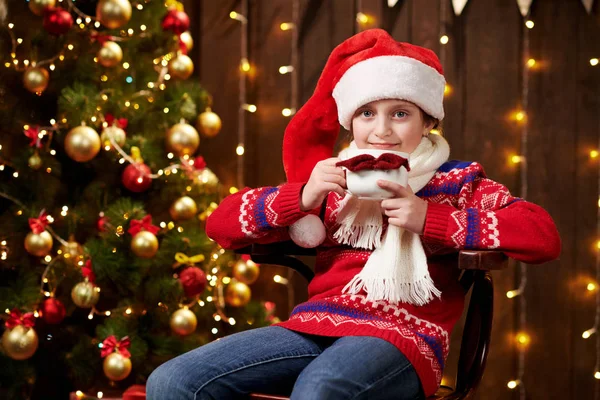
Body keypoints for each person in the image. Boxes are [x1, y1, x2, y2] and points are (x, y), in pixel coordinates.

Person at [147, 28, 561, 400]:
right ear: (351, 122)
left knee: (320, 389)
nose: (381, 130)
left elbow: (541, 235)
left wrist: (431, 218)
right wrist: (303, 196)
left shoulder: (456, 181)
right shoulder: (335, 179)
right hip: (315, 327)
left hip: (405, 337)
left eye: (400, 113)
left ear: (428, 120)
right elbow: (219, 225)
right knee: (172, 381)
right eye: (367, 114)